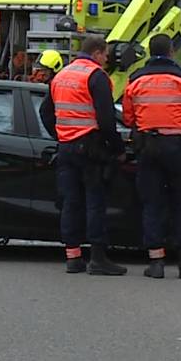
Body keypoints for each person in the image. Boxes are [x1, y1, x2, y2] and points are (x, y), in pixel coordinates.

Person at [39, 35, 127, 275]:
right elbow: (107, 120)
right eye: (106, 55)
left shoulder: (62, 75)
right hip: (90, 147)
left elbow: (45, 111)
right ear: (97, 53)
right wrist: (118, 149)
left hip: (66, 148)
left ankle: (73, 258)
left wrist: (59, 135)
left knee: (70, 203)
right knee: (95, 202)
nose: (107, 59)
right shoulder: (96, 76)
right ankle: (98, 259)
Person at [122, 33, 181, 280]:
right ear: (171, 52)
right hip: (176, 146)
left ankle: (156, 263)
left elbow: (128, 118)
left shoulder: (135, 79)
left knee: (152, 204)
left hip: (148, 146)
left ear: (149, 52)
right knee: (180, 202)